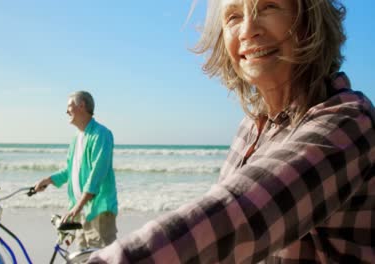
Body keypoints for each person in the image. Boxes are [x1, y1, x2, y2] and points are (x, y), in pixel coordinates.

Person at [88, 0, 374, 263]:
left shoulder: (349, 121)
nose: (248, 30)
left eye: (268, 6)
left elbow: (239, 217)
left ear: (309, 20)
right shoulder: (251, 126)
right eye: (233, 16)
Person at [34, 91, 118, 249]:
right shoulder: (76, 138)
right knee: (82, 259)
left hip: (98, 210)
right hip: (80, 212)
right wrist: (49, 180)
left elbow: (97, 174)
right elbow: (70, 170)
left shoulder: (101, 134)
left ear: (82, 106)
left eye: (69, 107)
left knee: (104, 259)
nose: (66, 112)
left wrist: (78, 206)